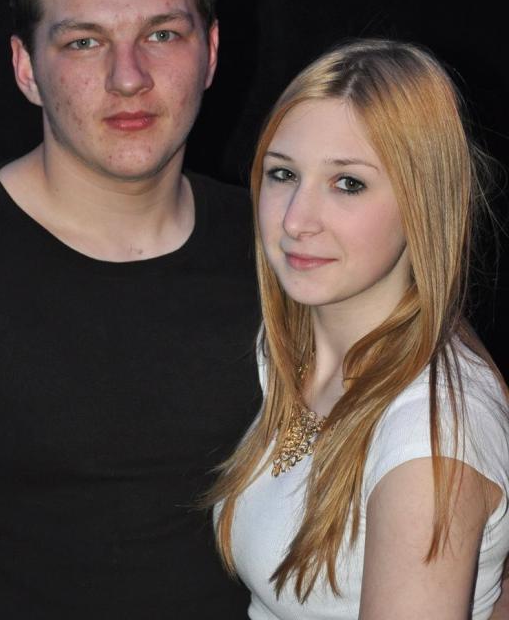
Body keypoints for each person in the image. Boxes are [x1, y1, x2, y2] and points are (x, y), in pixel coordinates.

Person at [0, 0, 261, 618]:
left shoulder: (283, 252)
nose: (128, 77)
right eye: (84, 42)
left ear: (211, 52)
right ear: (26, 68)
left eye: (162, 34)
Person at [210, 39, 509, 619]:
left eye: (348, 183)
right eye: (282, 174)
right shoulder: (291, 347)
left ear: (423, 201)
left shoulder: (427, 441)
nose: (296, 219)